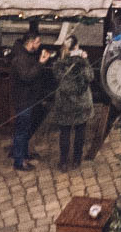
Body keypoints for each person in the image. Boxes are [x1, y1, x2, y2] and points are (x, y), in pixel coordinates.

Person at [9, 27, 52, 171]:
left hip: (29, 99)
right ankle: (19, 161)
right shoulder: (20, 58)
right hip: (23, 100)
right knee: (22, 130)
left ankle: (23, 154)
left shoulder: (27, 54)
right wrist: (41, 63)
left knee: (26, 129)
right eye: (38, 42)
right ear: (30, 42)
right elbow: (27, 76)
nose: (39, 44)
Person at [50, 31, 94, 170]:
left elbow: (56, 78)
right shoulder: (81, 62)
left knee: (65, 132)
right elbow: (90, 77)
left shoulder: (59, 63)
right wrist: (85, 60)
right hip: (82, 103)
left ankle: (63, 162)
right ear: (77, 47)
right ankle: (76, 160)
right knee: (80, 132)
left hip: (64, 103)